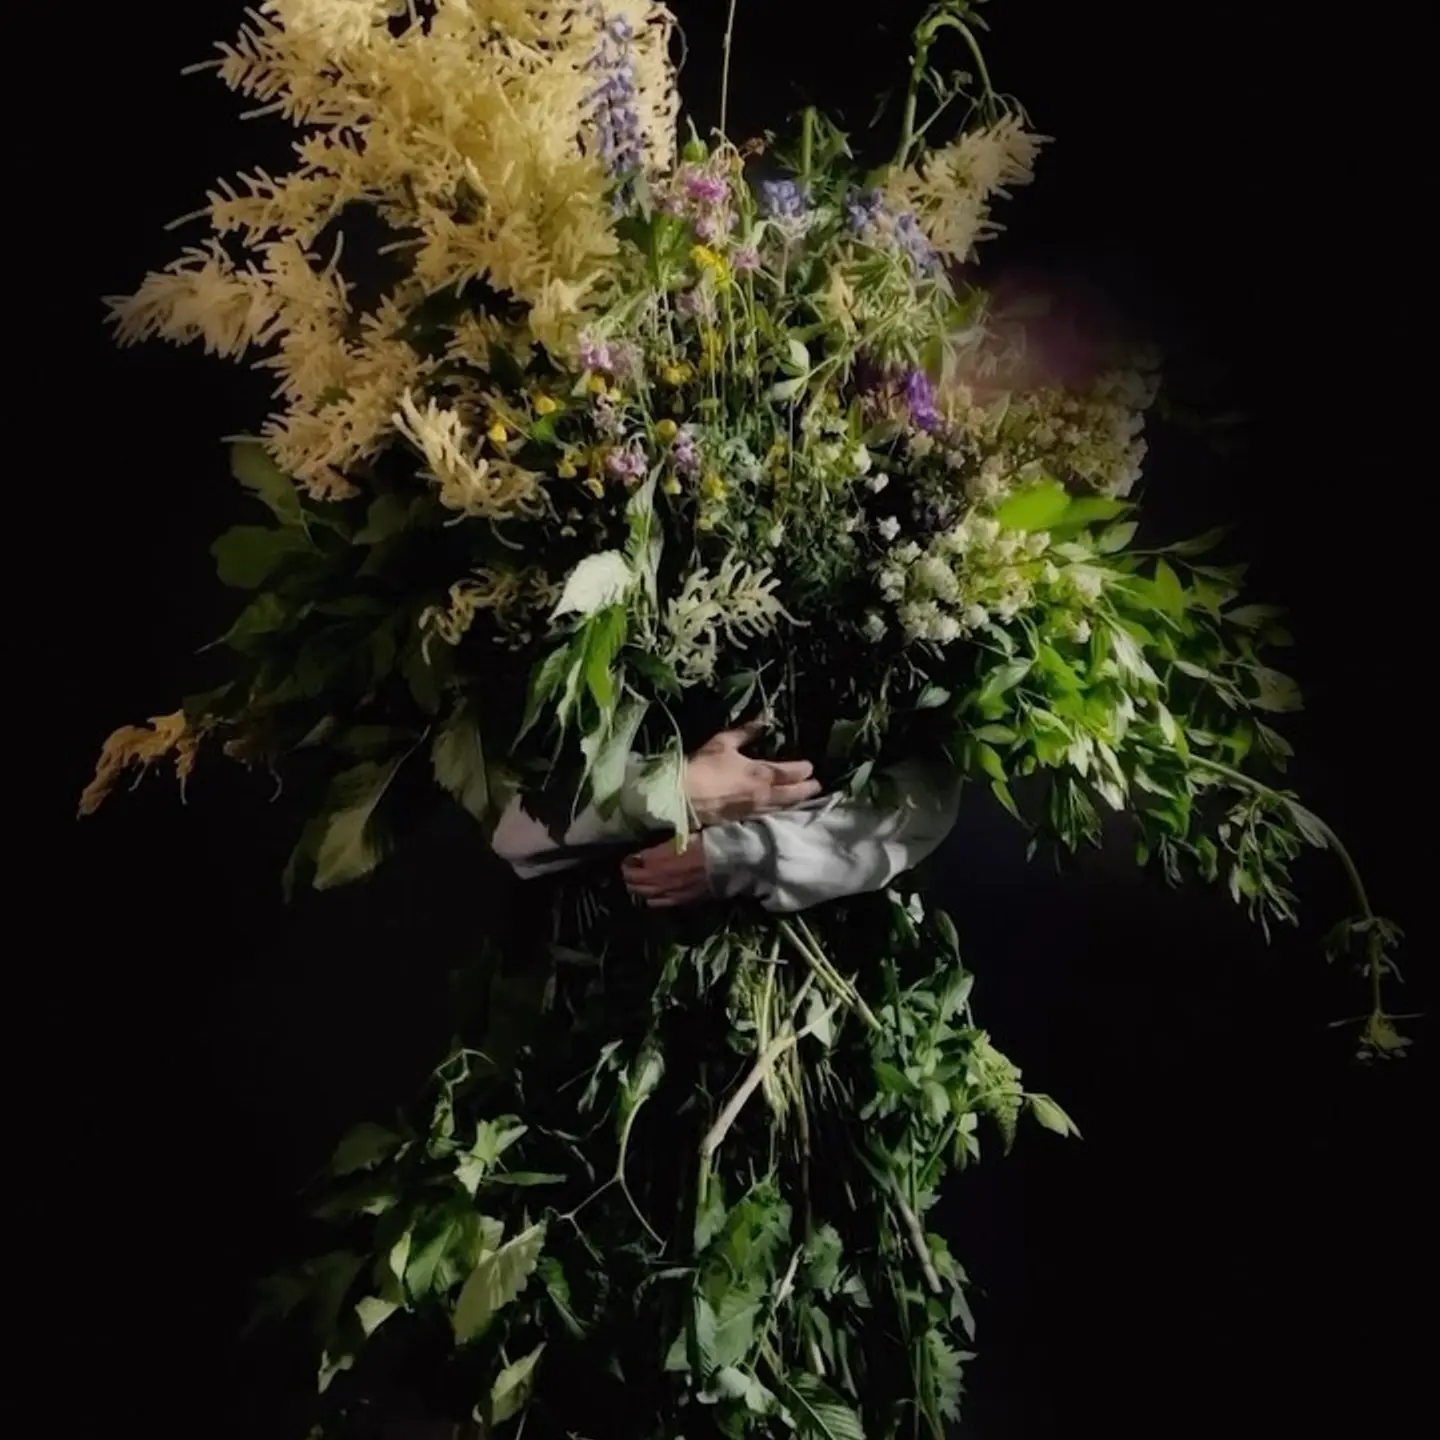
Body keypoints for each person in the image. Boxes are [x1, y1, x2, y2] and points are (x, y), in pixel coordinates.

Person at [492, 720, 962, 911]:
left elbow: (926, 799)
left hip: (773, 933)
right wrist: (675, 790)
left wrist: (754, 853)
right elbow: (512, 830)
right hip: (588, 936)